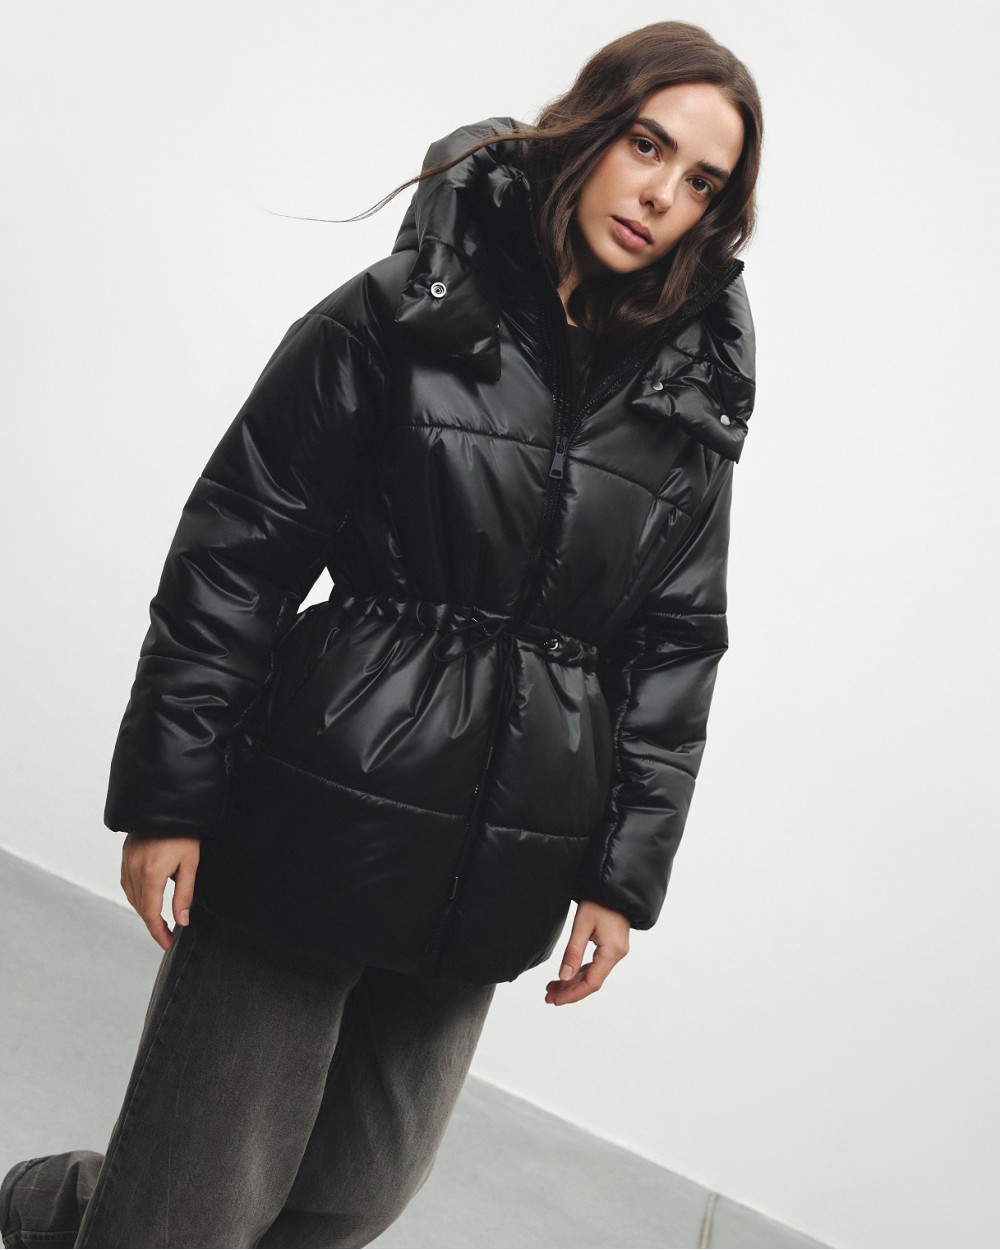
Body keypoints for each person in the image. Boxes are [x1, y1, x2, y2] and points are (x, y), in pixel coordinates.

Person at [0, 18, 762, 1250]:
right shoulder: (404, 315)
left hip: (508, 847)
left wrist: (622, 873)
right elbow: (240, 548)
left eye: (702, 182)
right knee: (187, 1213)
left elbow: (675, 648)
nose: (661, 193)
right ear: (587, 129)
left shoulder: (686, 411)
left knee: (352, 1196)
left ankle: (72, 1209)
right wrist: (171, 792)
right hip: (320, 802)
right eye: (645, 144)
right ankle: (84, 1213)